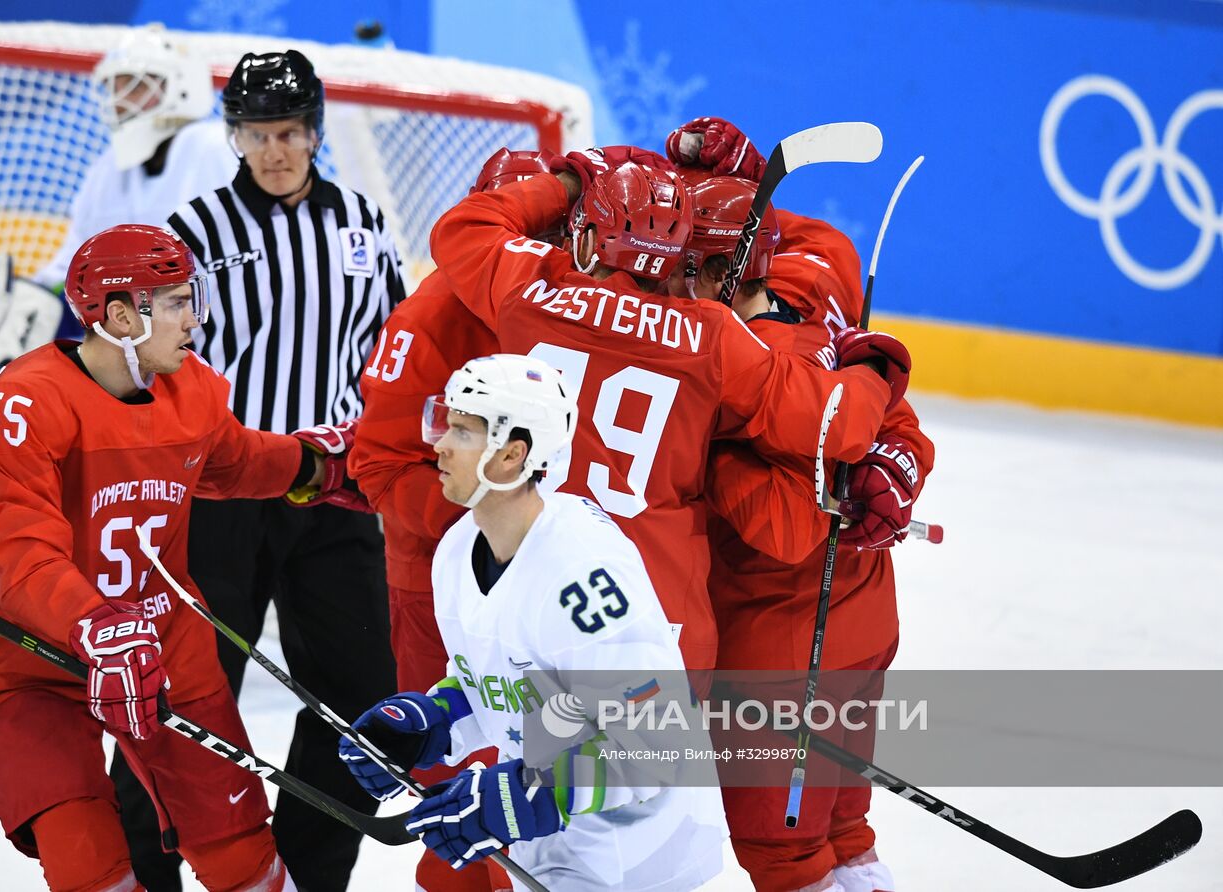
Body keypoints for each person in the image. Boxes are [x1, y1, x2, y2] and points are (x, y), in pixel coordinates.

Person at [0, 223, 358, 892]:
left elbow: (232, 462)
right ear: (118, 316)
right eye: (173, 302)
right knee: (92, 871)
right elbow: (24, 554)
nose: (192, 318)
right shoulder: (25, 403)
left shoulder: (191, 390)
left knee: (244, 858)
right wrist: (98, 624)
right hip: (30, 662)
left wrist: (314, 467)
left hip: (164, 643)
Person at [425, 155, 911, 680]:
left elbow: (462, 225)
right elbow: (835, 423)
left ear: (587, 242)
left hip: (532, 586)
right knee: (649, 762)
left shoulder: (530, 290)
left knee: (535, 752)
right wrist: (871, 367)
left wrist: (570, 182)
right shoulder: (710, 334)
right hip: (656, 609)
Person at [341, 354, 729, 891]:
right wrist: (432, 722)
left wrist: (533, 793)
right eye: (443, 421)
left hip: (641, 856)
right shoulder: (456, 550)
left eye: (462, 430)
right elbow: (495, 687)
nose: (439, 444)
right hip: (555, 853)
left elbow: (657, 742)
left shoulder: (583, 571)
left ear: (511, 454)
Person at [668, 122, 934, 892]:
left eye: (686, 267)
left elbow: (788, 528)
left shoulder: (733, 374)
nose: (668, 283)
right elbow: (900, 427)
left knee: (785, 855)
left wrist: (699, 460)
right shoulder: (816, 310)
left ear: (719, 273)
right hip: (861, 623)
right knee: (846, 833)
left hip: (781, 654)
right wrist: (896, 464)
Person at [164, 48, 404, 891]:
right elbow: (163, 360)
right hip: (225, 491)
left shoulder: (363, 225)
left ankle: (301, 874)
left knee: (366, 701)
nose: (276, 150)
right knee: (189, 699)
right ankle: (143, 868)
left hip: (333, 489)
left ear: (314, 132)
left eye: (291, 132)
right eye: (259, 134)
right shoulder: (191, 233)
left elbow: (395, 344)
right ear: (235, 137)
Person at [349, 148, 556, 892]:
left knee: (545, 771)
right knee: (462, 783)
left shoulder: (561, 302)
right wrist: (487, 515)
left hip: (536, 582)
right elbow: (377, 465)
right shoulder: (429, 317)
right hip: (443, 590)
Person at [0, 26, 235, 404]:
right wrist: (27, 300)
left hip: (205, 323)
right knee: (38, 323)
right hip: (135, 322)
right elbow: (70, 263)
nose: (119, 100)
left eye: (135, 86)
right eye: (116, 87)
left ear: (181, 88)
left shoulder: (213, 147)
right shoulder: (108, 169)